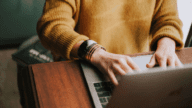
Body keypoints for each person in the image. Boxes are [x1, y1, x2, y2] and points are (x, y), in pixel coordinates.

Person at [37, 0, 184, 85]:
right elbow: (51, 26)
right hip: (84, 65)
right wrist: (93, 52)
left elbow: (168, 19)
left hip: (137, 69)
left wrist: (167, 43)